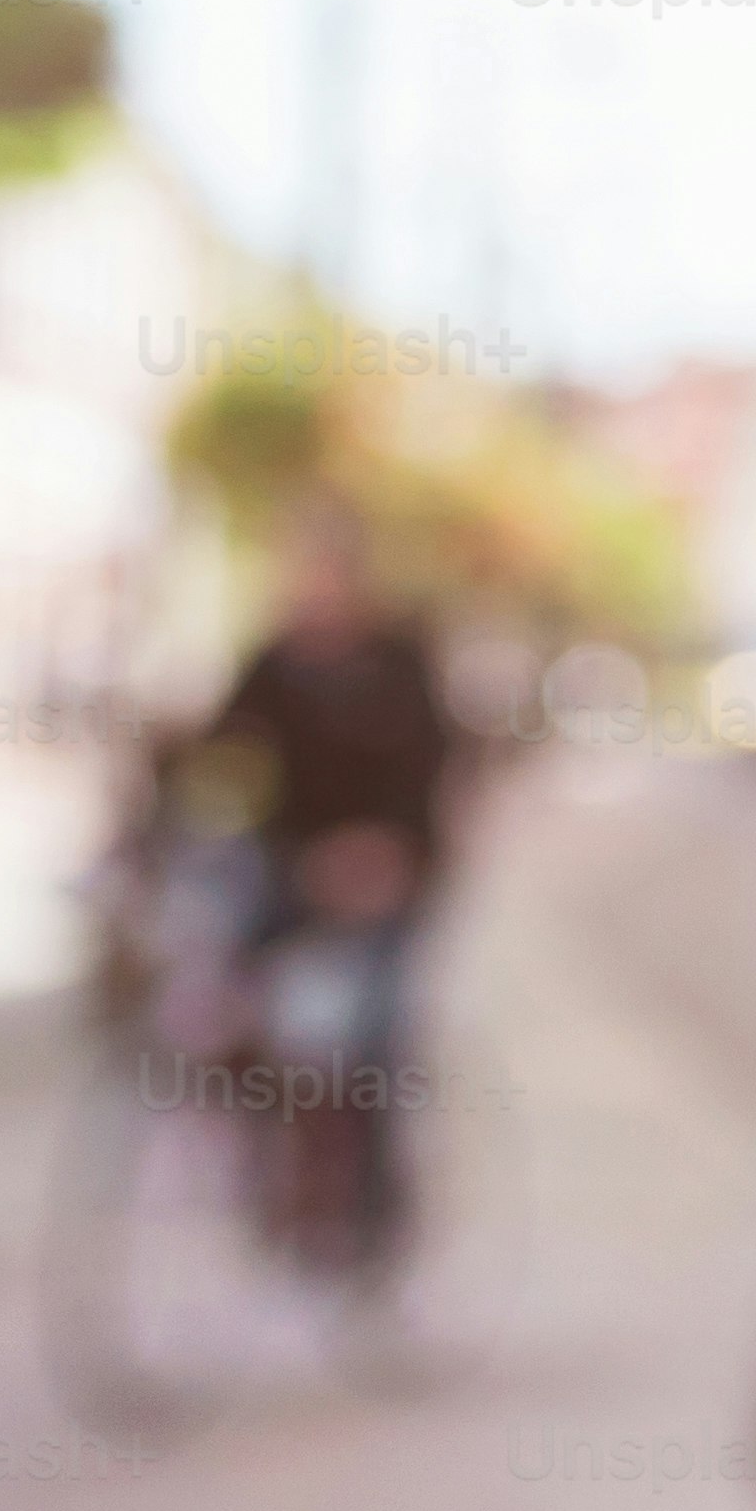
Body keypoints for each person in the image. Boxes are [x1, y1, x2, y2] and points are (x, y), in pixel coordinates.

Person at [182, 496, 457, 1272]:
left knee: (368, 1044)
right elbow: (217, 749)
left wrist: (388, 853)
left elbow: (434, 775)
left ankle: (370, 1214)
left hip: (387, 883)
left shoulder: (399, 663)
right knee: (236, 1008)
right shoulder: (274, 663)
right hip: (295, 876)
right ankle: (277, 1176)